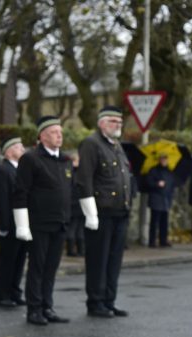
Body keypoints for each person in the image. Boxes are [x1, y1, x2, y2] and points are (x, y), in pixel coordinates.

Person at [13, 116, 72, 325]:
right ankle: (34, 309)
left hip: (60, 222)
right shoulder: (31, 159)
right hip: (39, 223)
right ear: (42, 136)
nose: (59, 136)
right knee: (37, 267)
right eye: (55, 132)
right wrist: (22, 225)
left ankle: (47, 306)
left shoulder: (65, 160)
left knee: (51, 268)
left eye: (60, 132)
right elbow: (21, 192)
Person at [76, 106, 131, 318]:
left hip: (120, 212)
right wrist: (90, 213)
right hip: (101, 213)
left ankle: (109, 300)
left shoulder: (116, 145)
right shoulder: (92, 144)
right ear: (101, 123)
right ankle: (96, 301)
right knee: (98, 260)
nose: (118, 125)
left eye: (120, 122)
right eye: (113, 122)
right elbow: (84, 180)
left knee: (114, 260)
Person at [0, 135, 28, 308]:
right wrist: (5, 224)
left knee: (20, 259)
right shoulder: (2, 170)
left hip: (23, 223)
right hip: (11, 223)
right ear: (8, 151)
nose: (22, 149)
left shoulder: (21, 169)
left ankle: (15, 291)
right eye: (18, 146)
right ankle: (3, 293)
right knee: (7, 260)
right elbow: (2, 199)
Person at [146, 153, 175, 248]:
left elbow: (171, 185)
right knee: (155, 221)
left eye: (165, 159)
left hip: (166, 198)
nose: (164, 161)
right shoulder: (154, 170)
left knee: (164, 221)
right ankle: (152, 241)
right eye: (162, 159)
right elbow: (149, 183)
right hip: (156, 198)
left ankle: (163, 240)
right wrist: (157, 184)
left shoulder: (169, 171)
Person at [66, 153, 85, 257]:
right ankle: (81, 251)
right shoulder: (82, 173)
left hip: (71, 204)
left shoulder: (68, 172)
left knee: (72, 228)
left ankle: (71, 250)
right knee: (79, 228)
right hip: (81, 203)